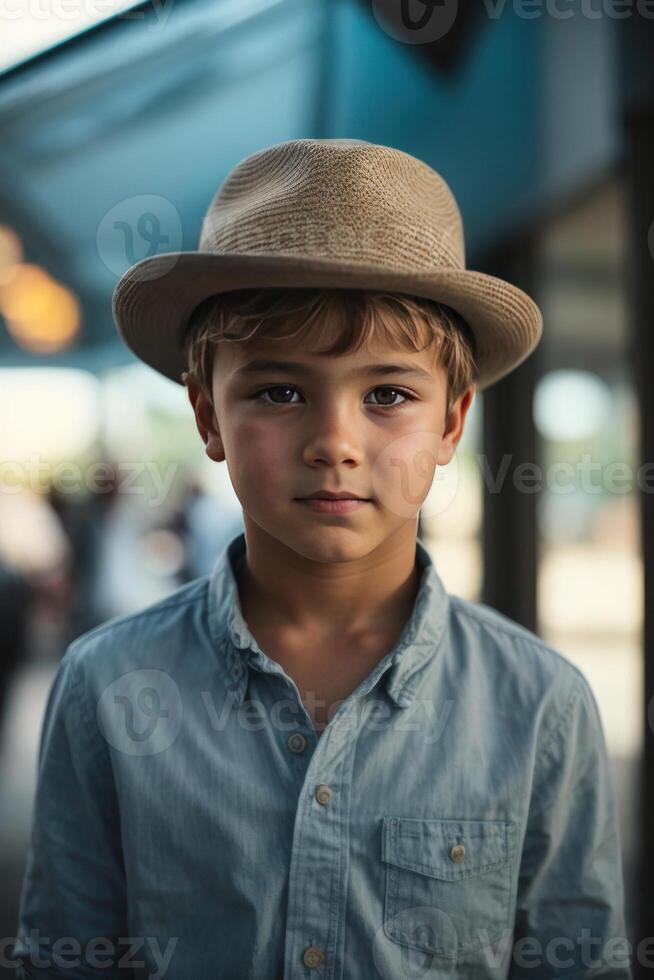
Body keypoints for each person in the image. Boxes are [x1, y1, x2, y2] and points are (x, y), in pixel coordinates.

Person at [9, 139, 631, 979]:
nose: (334, 443)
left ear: (452, 422)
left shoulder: (539, 704)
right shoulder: (106, 682)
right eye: (279, 392)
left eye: (389, 396)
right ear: (207, 416)